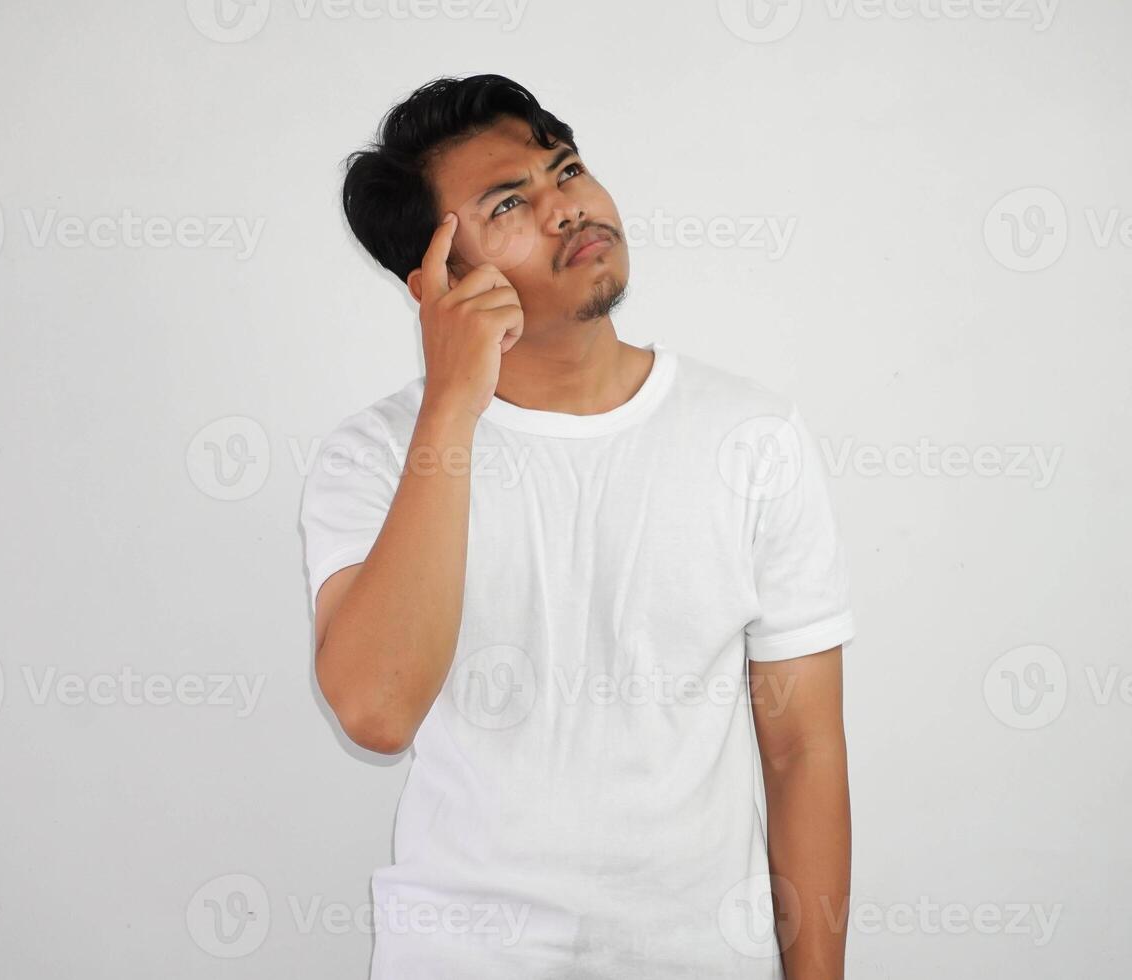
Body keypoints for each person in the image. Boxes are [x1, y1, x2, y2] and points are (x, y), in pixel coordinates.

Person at [301, 73, 856, 980]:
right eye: (511, 203)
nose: (567, 208)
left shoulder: (751, 437)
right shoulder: (373, 457)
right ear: (438, 277)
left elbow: (801, 749)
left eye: (567, 169)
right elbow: (377, 707)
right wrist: (450, 404)